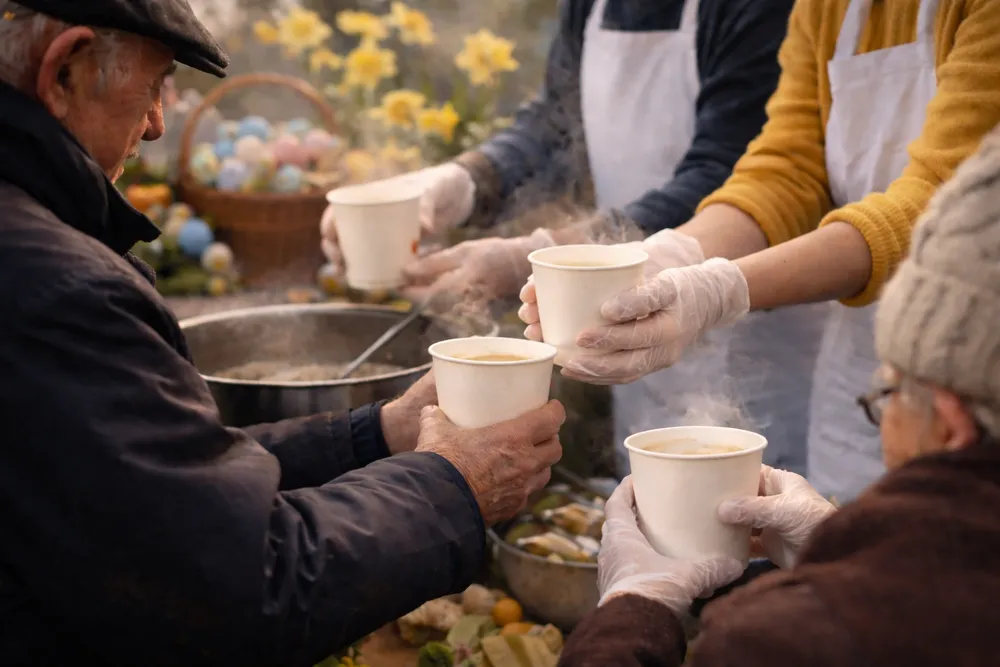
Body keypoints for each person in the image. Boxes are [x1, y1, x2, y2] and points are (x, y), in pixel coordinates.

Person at [0, 2, 565, 664]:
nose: (157, 125)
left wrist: (378, 433)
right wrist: (453, 483)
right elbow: (246, 587)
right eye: (154, 86)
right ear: (64, 70)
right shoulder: (56, 290)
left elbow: (159, 492)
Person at [556, 124, 1000, 666]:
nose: (882, 418)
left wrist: (633, 608)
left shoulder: (783, 638)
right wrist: (832, 543)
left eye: (887, 394)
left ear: (951, 426)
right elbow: (789, 163)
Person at [520, 0, 1000, 502]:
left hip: (969, 375)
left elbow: (940, 202)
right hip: (859, 371)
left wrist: (723, 289)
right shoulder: (825, 9)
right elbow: (789, 169)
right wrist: (678, 254)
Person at [325, 0, 826, 477]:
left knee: (759, 512)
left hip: (754, 319)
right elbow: (555, 122)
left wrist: (542, 255)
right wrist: (464, 181)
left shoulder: (760, 10)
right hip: (623, 309)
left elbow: (728, 171)